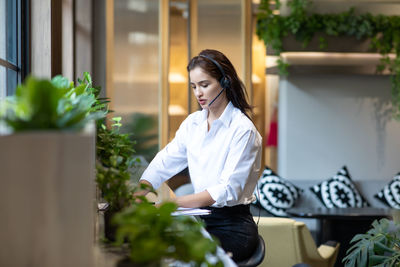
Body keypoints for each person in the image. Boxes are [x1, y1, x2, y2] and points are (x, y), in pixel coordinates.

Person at [138, 49, 262, 262]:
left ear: (224, 82)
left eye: (204, 85)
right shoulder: (193, 123)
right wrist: (142, 188)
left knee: (178, 256)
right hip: (200, 221)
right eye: (194, 86)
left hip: (232, 228)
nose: (198, 93)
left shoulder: (243, 130)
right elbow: (165, 160)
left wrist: (175, 204)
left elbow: (227, 189)